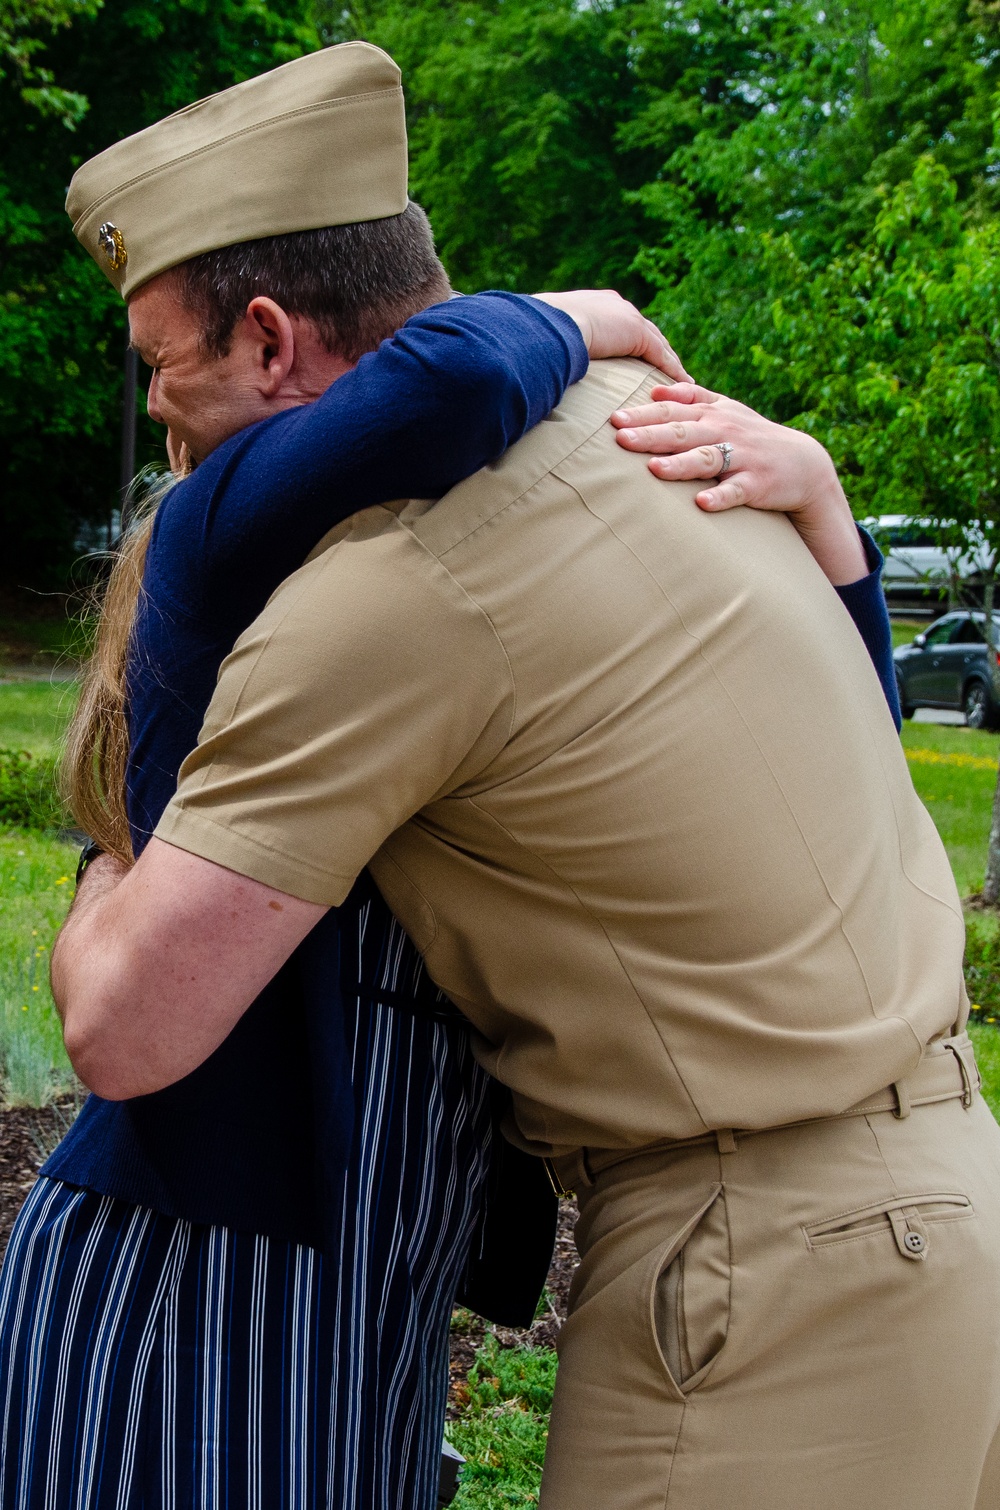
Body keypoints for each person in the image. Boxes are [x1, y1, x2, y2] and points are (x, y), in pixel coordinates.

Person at [50, 42, 989, 1510]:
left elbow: (127, 1022)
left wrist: (110, 868)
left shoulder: (388, 591)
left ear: (271, 338)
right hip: (945, 1203)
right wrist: (836, 524)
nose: (161, 416)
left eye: (165, 362)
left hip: (766, 1283)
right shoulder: (655, 425)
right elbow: (854, 761)